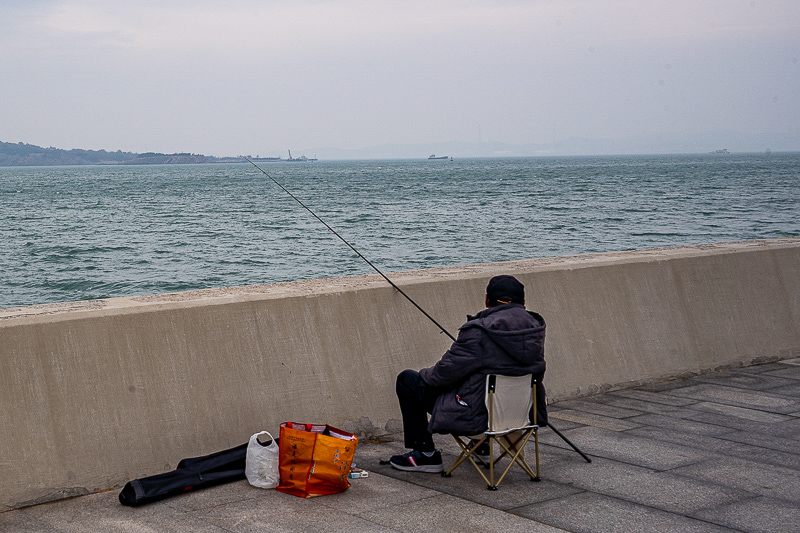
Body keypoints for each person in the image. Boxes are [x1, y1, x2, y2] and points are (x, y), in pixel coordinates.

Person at [390, 274, 547, 473]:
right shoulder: (535, 329)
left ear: (487, 300)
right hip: (521, 415)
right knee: (480, 379)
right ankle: (481, 446)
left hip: (479, 417)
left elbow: (442, 375)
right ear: (523, 302)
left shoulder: (478, 331)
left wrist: (424, 374)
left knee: (408, 380)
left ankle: (425, 454)